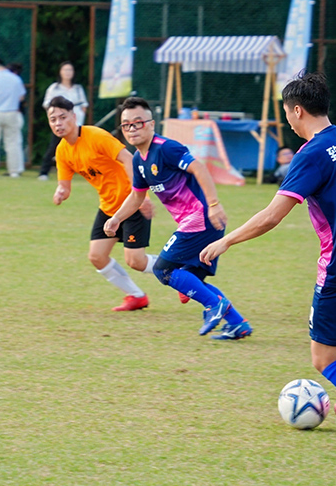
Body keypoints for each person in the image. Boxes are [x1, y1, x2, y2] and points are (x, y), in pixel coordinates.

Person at [200, 72, 336, 447]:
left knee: (324, 359)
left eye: (287, 112)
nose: (288, 120)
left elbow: (272, 216)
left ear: (298, 110)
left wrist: (227, 241)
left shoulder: (311, 154)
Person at [104, 97, 253, 340]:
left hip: (201, 218)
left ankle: (214, 305)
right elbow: (137, 196)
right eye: (126, 125)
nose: (132, 129)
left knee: (163, 269)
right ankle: (237, 324)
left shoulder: (166, 148)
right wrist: (116, 218)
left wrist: (214, 205)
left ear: (151, 124)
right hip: (195, 222)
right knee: (191, 281)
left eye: (138, 122)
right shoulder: (138, 160)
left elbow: (199, 168)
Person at [47, 96, 156, 311]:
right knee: (97, 256)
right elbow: (64, 186)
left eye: (62, 117)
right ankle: (136, 296)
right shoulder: (62, 151)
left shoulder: (96, 136)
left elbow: (128, 159)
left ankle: (182, 271)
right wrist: (60, 192)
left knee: (136, 261)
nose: (58, 123)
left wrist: (142, 196)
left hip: (131, 203)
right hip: (108, 207)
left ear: (74, 117)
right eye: (53, 119)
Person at [38, 62, 89, 181]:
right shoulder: (54, 88)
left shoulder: (78, 89)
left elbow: (84, 104)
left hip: (76, 122)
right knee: (54, 146)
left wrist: (79, 116)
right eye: (65, 70)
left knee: (80, 146)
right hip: (60, 123)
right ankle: (44, 172)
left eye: (70, 70)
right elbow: (47, 105)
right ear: (60, 72)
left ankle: (87, 171)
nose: (68, 73)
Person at [7, 62, 26, 174]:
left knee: (14, 142)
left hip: (15, 114)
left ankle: (17, 168)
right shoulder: (18, 82)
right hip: (16, 114)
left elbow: (21, 98)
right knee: (16, 141)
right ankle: (17, 167)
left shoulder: (15, 82)